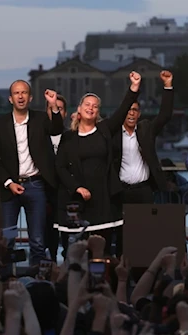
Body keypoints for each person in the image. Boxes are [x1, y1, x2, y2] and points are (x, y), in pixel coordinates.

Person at [54, 71, 142, 255]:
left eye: (95, 106)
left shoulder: (104, 129)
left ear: (98, 111)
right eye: (87, 104)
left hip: (103, 200)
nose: (91, 108)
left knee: (102, 251)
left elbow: (122, 110)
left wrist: (134, 87)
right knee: (76, 252)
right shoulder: (68, 137)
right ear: (79, 109)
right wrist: (77, 187)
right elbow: (60, 167)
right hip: (78, 200)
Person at [0, 81, 63, 266]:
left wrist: (53, 105)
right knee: (8, 240)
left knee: (37, 240)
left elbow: (57, 129)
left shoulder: (40, 119)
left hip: (36, 186)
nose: (20, 96)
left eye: (24, 93)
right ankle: (6, 284)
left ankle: (37, 282)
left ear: (30, 98)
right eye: (16, 93)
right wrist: (8, 183)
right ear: (10, 98)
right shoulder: (0, 124)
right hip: (9, 190)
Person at [110, 70, 175, 256]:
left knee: (145, 234)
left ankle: (144, 271)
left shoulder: (146, 129)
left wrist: (168, 85)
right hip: (121, 191)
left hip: (144, 190)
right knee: (122, 236)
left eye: (135, 110)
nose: (131, 114)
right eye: (128, 110)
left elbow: (164, 115)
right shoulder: (113, 132)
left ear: (139, 114)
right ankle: (123, 271)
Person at [45, 94, 69, 261]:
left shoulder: (71, 136)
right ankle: (51, 263)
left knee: (68, 232)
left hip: (67, 191)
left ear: (65, 113)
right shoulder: (40, 137)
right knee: (48, 231)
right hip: (46, 190)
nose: (56, 111)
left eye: (60, 109)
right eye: (52, 108)